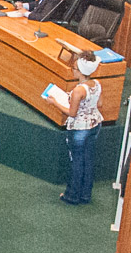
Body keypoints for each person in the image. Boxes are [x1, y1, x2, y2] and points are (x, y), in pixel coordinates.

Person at [45, 54, 104, 205]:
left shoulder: (79, 90)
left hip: (79, 129)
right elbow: (100, 104)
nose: (73, 70)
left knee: (77, 162)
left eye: (75, 68)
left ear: (80, 71)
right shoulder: (97, 84)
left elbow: (72, 113)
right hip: (95, 124)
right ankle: (85, 195)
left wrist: (55, 102)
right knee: (88, 161)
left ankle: (72, 195)